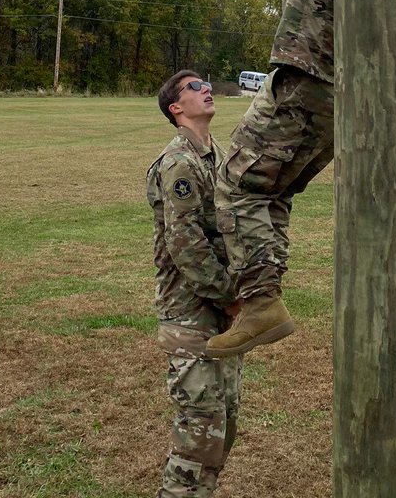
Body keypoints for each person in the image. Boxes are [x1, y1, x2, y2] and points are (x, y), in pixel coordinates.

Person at [207, 0, 334, 358]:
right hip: (341, 94)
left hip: (306, 79)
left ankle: (261, 302)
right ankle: (262, 295)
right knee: (271, 192)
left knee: (236, 185)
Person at [146, 70, 242, 497]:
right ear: (176, 108)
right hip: (190, 313)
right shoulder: (179, 163)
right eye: (194, 87)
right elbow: (184, 244)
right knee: (199, 430)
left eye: (206, 84)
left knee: (223, 424)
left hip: (222, 310)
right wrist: (230, 296)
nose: (206, 89)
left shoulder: (216, 156)